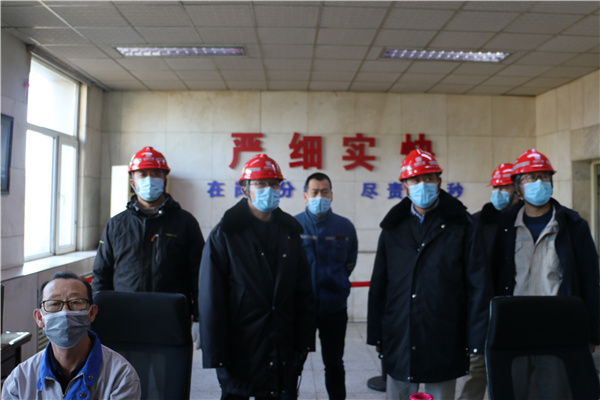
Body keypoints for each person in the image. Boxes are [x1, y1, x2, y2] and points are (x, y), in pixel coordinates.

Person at [367, 148, 491, 400]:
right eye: (415, 179)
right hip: (400, 332)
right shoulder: (393, 227)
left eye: (428, 178)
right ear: (404, 186)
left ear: (439, 182)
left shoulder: (462, 225)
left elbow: (478, 284)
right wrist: (376, 333)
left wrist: (477, 338)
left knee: (441, 392)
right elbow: (380, 283)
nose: (422, 185)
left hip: (444, 332)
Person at [198, 153, 316, 400]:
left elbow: (303, 292)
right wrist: (217, 356)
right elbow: (212, 299)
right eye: (260, 183)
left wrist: (304, 344)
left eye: (274, 184)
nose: (268, 190)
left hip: (281, 344)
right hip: (240, 348)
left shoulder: (290, 233)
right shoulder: (225, 235)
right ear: (245, 189)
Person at [492, 148, 600, 399]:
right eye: (530, 177)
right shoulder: (503, 227)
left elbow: (590, 280)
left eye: (544, 177)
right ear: (518, 187)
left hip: (557, 326)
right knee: (513, 391)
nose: (538, 182)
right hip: (514, 325)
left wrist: (592, 330)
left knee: (554, 391)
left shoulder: (573, 225)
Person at [93, 146, 204, 329]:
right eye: (142, 174)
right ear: (132, 181)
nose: (149, 179)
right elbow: (101, 274)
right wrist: (100, 314)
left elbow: (199, 274)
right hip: (124, 317)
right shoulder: (116, 225)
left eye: (156, 174)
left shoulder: (185, 223)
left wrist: (200, 318)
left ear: (164, 179)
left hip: (172, 319)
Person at [2, 271, 141, 399]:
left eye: (75, 303)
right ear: (39, 318)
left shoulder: (121, 376)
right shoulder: (19, 380)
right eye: (54, 304)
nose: (65, 312)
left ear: (92, 313)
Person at [457, 162, 519, 400]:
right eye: (496, 187)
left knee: (514, 372)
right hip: (484, 309)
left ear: (518, 191)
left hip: (517, 307)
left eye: (504, 187)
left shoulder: (524, 223)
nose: (499, 193)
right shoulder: (476, 222)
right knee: (477, 369)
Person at [294, 172, 358, 400]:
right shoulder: (293, 226)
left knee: (334, 363)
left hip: (334, 308)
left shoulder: (345, 227)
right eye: (314, 192)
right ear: (305, 196)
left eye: (324, 192)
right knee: (294, 363)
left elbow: (349, 262)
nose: (320, 197)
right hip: (301, 309)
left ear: (331, 195)